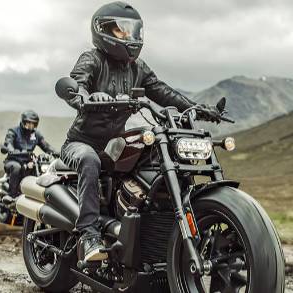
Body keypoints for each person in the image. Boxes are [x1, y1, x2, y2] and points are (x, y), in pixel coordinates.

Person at [59, 1, 221, 263]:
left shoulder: (138, 67)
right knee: (89, 160)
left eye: (134, 31)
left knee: (150, 155)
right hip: (81, 142)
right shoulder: (92, 59)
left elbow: (163, 91)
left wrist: (198, 108)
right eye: (123, 30)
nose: (130, 37)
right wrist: (84, 96)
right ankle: (88, 235)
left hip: (113, 143)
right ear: (104, 30)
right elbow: (77, 83)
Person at [0, 110, 58, 200]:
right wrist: (10, 149)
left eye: (33, 123)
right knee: (16, 168)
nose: (31, 125)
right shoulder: (13, 131)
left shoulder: (36, 134)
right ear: (23, 122)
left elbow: (46, 146)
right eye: (28, 123)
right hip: (13, 160)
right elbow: (8, 142)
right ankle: (11, 195)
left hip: (29, 160)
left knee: (43, 168)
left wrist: (59, 153)